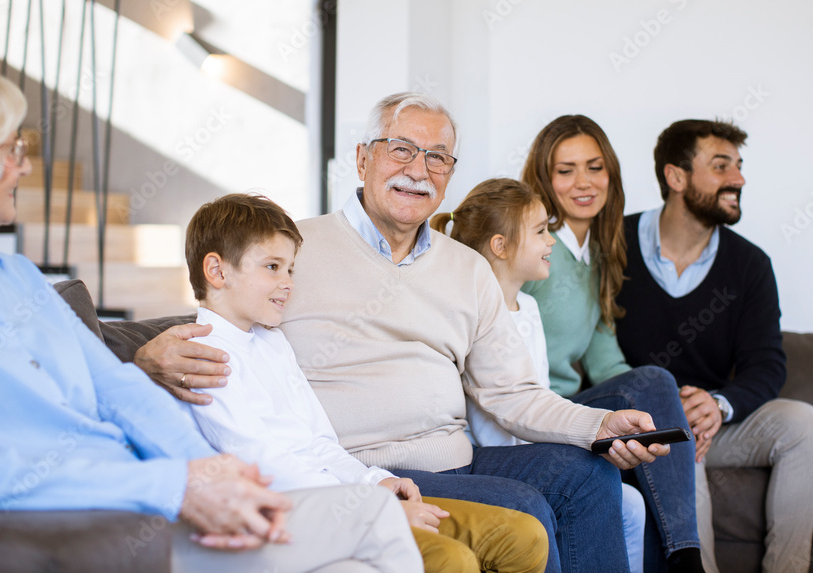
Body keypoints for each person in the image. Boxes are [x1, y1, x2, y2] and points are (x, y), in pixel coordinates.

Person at [136, 92, 674, 573]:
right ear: (363, 158)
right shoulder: (295, 248)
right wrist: (150, 355)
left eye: (438, 157)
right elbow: (227, 306)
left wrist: (600, 423)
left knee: (589, 475)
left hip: (451, 457)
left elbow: (513, 395)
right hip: (355, 465)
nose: (419, 169)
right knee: (522, 506)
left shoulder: (468, 270)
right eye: (401, 150)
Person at [0, 66, 422, 573]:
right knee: (370, 519)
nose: (25, 168)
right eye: (11, 152)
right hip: (102, 525)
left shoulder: (18, 277)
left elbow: (117, 388)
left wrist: (208, 474)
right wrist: (176, 487)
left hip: (152, 499)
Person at [180, 192, 549, 573]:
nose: (288, 283)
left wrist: (376, 481)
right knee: (450, 558)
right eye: (272, 267)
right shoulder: (200, 355)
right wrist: (369, 508)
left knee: (522, 535)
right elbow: (261, 464)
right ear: (217, 271)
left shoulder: (271, 341)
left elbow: (320, 442)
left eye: (290, 269)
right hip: (302, 511)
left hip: (347, 496)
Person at [614, 119, 813, 573]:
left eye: (738, 165)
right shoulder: (614, 245)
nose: (739, 179)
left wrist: (718, 404)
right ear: (676, 177)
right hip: (647, 424)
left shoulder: (750, 264)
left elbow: (767, 364)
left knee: (806, 424)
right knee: (679, 441)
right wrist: (668, 412)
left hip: (716, 423)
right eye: (721, 166)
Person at [431, 177, 647, 573]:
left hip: (532, 447)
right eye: (541, 231)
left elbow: (539, 397)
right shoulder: (470, 311)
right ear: (500, 246)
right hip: (495, 457)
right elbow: (498, 414)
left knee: (631, 504)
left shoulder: (529, 309)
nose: (551, 241)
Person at [520, 115, 704, 572]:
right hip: (531, 412)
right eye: (565, 171)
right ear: (545, 179)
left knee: (656, 398)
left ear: (610, 174)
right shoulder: (534, 247)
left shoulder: (598, 251)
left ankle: (682, 558)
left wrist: (663, 406)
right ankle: (688, 561)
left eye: (594, 167)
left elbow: (606, 362)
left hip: (569, 406)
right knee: (653, 385)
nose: (583, 182)